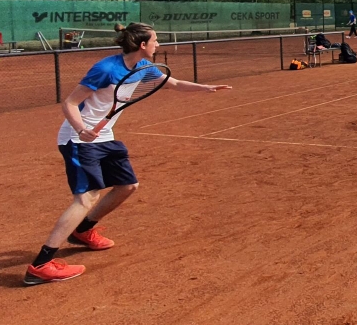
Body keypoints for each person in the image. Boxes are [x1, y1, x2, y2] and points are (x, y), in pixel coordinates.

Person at [24, 23, 232, 286]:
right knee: (87, 197)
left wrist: (205, 88)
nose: (159, 45)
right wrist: (82, 129)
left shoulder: (143, 69)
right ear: (142, 45)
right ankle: (40, 265)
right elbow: (70, 103)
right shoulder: (106, 69)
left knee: (127, 185)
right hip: (79, 138)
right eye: (156, 40)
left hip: (105, 136)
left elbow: (174, 83)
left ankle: (83, 230)